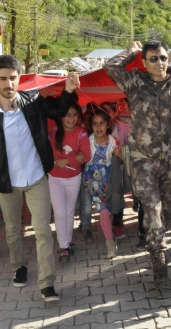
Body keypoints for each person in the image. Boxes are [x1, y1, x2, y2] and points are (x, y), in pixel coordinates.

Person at [0, 55, 79, 302]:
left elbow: (58, 111)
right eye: (3, 79)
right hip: (6, 184)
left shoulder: (33, 101)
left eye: (13, 78)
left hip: (37, 178)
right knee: (12, 230)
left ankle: (47, 283)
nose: (8, 84)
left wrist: (68, 91)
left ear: (19, 77)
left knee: (42, 231)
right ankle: (18, 266)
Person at [104, 40, 171, 290]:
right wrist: (132, 51)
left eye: (163, 58)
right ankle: (160, 269)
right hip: (143, 162)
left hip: (170, 164)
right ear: (144, 62)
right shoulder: (136, 83)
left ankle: (155, 245)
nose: (159, 63)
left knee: (164, 213)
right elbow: (111, 66)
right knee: (154, 214)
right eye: (153, 58)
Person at [48, 103, 87, 263]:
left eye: (75, 115)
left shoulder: (82, 133)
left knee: (70, 212)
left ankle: (68, 242)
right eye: (68, 115)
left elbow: (85, 155)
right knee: (60, 213)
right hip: (54, 178)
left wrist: (67, 160)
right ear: (61, 116)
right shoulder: (53, 129)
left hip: (74, 177)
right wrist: (73, 158)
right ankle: (63, 246)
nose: (71, 118)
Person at [81, 106, 122, 260]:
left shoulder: (113, 142)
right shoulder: (87, 141)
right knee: (103, 210)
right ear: (91, 126)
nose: (98, 127)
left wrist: (119, 154)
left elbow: (120, 162)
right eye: (95, 124)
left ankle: (108, 233)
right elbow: (83, 156)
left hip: (109, 180)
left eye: (102, 123)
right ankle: (110, 243)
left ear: (107, 125)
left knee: (109, 210)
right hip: (92, 181)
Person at [100, 101, 130, 240]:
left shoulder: (124, 128)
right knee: (108, 195)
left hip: (120, 167)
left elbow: (129, 148)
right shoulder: (98, 129)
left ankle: (117, 222)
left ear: (115, 113)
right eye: (103, 111)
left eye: (108, 110)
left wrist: (121, 154)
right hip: (103, 170)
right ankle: (111, 221)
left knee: (118, 194)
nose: (106, 114)